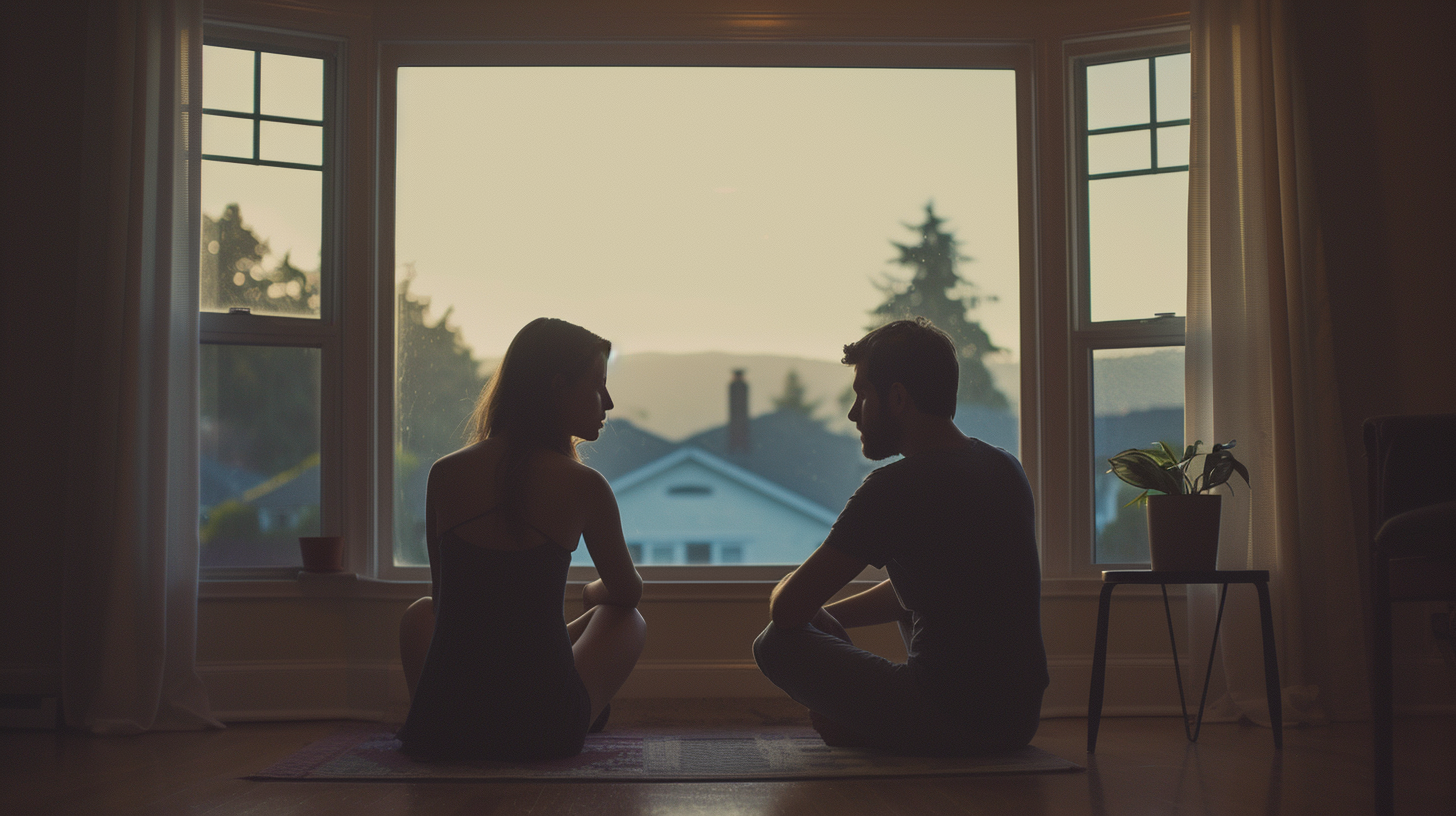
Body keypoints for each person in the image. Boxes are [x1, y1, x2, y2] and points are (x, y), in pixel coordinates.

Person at [753, 317, 1048, 755]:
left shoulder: (893, 488)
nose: (854, 413)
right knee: (913, 602)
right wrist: (833, 619)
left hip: (950, 717)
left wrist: (817, 620)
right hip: (1016, 721)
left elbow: (788, 609)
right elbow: (936, 584)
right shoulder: (1003, 466)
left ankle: (882, 729)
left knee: (774, 643)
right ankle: (883, 724)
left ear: (897, 398)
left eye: (862, 396)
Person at [397, 317, 646, 761]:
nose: (608, 401)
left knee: (422, 613)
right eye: (598, 384)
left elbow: (446, 602)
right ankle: (581, 709)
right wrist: (593, 594)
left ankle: (446, 719)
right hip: (542, 731)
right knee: (626, 619)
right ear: (557, 386)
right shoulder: (585, 485)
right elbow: (628, 592)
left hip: (443, 730)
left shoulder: (445, 473)